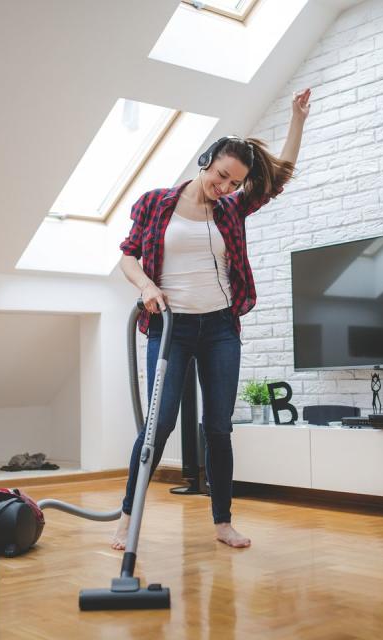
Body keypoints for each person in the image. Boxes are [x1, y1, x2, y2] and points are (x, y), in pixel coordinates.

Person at [114, 88, 312, 549]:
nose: (223, 188)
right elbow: (128, 257)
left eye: (233, 184)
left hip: (220, 329)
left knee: (218, 426)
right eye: (221, 176)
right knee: (158, 424)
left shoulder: (233, 208)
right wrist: (145, 285)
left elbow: (279, 175)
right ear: (207, 160)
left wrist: (296, 119)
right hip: (170, 329)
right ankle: (127, 517)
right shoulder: (155, 202)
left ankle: (222, 521)